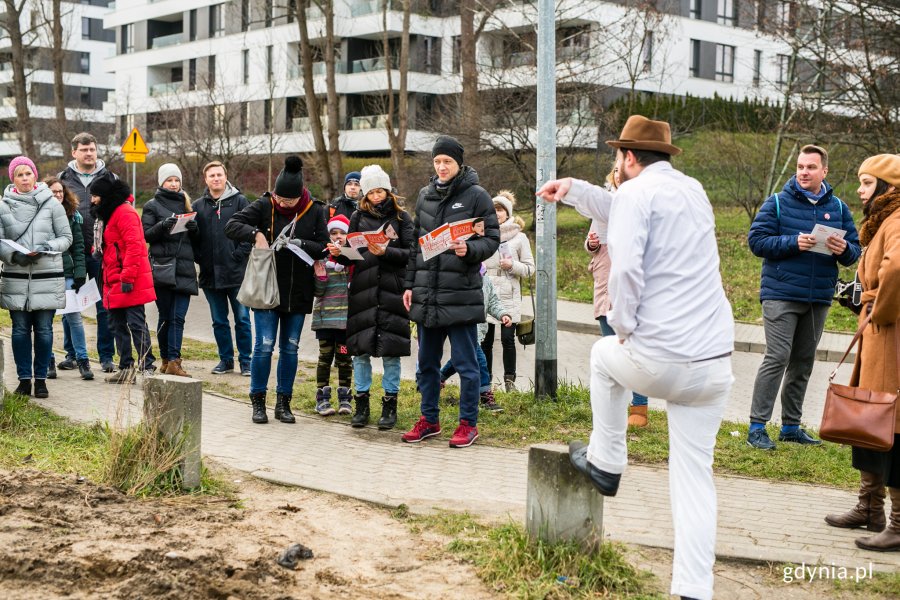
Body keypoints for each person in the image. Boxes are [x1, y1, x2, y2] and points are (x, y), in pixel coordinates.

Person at [537, 115, 735, 600]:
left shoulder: (633, 195)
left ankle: (607, 461)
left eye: (618, 158)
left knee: (604, 355)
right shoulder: (693, 191)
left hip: (662, 357)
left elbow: (625, 269)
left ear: (628, 158)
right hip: (713, 363)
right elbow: (620, 206)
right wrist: (575, 190)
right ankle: (693, 588)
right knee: (694, 478)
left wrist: (624, 327)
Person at [746, 144, 861, 450]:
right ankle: (757, 426)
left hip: (818, 298)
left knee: (803, 362)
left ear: (824, 171)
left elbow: (855, 251)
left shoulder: (838, 208)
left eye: (811, 167)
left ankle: (791, 427)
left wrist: (844, 250)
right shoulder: (777, 204)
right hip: (780, 293)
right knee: (778, 356)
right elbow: (756, 241)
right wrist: (792, 242)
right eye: (800, 167)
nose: (804, 172)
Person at [401, 135, 500, 448]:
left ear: (459, 164)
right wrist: (408, 285)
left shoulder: (476, 196)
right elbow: (415, 246)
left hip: (460, 295)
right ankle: (429, 420)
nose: (441, 167)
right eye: (437, 162)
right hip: (427, 295)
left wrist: (469, 249)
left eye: (447, 162)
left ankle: (468, 424)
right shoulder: (424, 196)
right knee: (426, 364)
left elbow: (492, 239)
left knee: (467, 365)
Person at [824, 154, 900, 552]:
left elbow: (897, 270)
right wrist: (860, 299)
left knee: (892, 427)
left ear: (887, 187)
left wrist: (878, 309)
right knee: (871, 418)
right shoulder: (884, 221)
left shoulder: (898, 219)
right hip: (878, 336)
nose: (859, 189)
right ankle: (870, 507)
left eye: (867, 183)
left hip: (891, 338)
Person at [225, 156, 329, 424]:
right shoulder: (264, 204)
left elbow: (323, 246)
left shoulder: (315, 210)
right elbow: (232, 225)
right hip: (265, 289)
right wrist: (255, 235)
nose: (282, 204)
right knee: (264, 346)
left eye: (288, 201)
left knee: (290, 348)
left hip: (298, 291)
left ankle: (284, 403)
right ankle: (257, 401)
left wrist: (300, 243)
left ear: (300, 196)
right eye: (279, 198)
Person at [332, 164, 414, 430]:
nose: (377, 196)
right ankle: (361, 404)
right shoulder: (357, 217)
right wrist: (339, 253)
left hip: (393, 291)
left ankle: (389, 406)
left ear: (388, 191)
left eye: (381, 191)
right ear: (365, 194)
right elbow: (351, 252)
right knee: (360, 352)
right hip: (363, 291)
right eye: (372, 192)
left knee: (391, 352)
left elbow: (412, 255)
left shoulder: (402, 219)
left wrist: (385, 252)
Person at [0, 157, 72, 398]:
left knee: (43, 330)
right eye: (19, 175)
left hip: (47, 276)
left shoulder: (52, 204)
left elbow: (66, 237)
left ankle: (41, 379)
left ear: (35, 176)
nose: (24, 179)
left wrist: (46, 246)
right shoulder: (3, 205)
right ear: (13, 179)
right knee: (19, 330)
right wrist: (14, 255)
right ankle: (23, 379)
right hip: (16, 277)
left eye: (28, 174)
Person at [585, 165, 650, 427]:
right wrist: (591, 243)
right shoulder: (602, 202)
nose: (619, 173)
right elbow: (591, 241)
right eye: (615, 169)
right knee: (611, 348)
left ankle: (640, 406)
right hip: (605, 279)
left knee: (634, 349)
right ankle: (612, 408)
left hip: (634, 283)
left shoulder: (646, 200)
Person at [90, 173, 157, 383]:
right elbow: (112, 244)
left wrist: (127, 277)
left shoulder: (125, 213)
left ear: (106, 195)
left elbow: (135, 247)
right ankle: (126, 368)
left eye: (95, 195)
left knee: (136, 324)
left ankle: (147, 367)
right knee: (117, 325)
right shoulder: (108, 214)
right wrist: (97, 249)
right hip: (111, 278)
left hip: (128, 279)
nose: (92, 200)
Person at [58, 132, 116, 373]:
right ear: (74, 153)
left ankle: (106, 356)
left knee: (105, 305)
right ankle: (71, 354)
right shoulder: (63, 178)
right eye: (84, 150)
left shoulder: (110, 177)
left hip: (101, 252)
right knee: (70, 305)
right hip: (73, 252)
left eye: (92, 149)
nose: (89, 153)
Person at [192, 161, 253, 376]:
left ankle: (246, 361)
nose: (216, 178)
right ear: (205, 179)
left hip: (236, 273)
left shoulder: (239, 201)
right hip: (210, 275)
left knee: (243, 320)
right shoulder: (198, 206)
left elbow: (249, 232)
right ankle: (225, 360)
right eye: (212, 175)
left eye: (219, 174)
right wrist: (201, 258)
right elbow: (194, 238)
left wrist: (239, 254)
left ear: (226, 177)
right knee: (219, 321)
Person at [142, 163, 199, 378]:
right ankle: (165, 359)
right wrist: (163, 225)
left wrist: (195, 229)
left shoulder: (187, 205)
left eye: (176, 180)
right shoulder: (152, 205)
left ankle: (175, 360)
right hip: (163, 269)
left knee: (179, 317)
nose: (174, 184)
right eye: (169, 180)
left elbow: (195, 240)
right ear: (162, 182)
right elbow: (146, 235)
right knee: (166, 317)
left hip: (184, 268)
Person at [481, 190, 534, 392]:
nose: (497, 214)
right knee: (485, 340)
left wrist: (512, 265)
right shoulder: (483, 234)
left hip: (509, 295)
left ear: (508, 213)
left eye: (500, 210)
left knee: (507, 340)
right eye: (493, 210)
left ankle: (509, 381)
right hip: (487, 293)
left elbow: (530, 268)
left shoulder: (519, 238)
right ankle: (487, 381)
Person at [440, 264, 510, 412]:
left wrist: (503, 314)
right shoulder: (460, 276)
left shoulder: (485, 279)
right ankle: (485, 396)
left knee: (462, 358)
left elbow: (492, 302)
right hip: (464, 328)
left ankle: (438, 378)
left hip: (478, 330)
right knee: (480, 360)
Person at [45, 177, 93, 381]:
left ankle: (82, 360)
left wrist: (80, 272)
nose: (57, 195)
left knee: (74, 318)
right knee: (45, 321)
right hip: (45, 275)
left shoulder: (73, 216)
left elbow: (79, 248)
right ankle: (48, 360)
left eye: (60, 192)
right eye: (53, 191)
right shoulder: (39, 216)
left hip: (67, 273)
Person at [310, 214, 354, 417]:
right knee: (325, 358)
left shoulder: (351, 258)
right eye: (333, 233)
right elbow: (318, 292)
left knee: (345, 359)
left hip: (345, 320)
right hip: (325, 318)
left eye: (342, 233)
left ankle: (345, 398)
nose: (338, 236)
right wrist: (320, 275)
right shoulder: (322, 258)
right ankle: (322, 397)